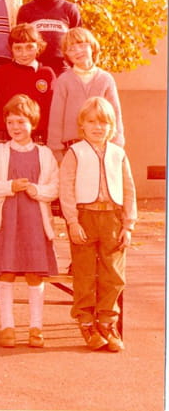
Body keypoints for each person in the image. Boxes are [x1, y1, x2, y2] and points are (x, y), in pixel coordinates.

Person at [0, 94, 59, 348]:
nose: (15, 127)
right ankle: (7, 326)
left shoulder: (45, 154)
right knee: (7, 272)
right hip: (7, 222)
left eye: (21, 122)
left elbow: (54, 187)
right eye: (11, 122)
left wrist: (38, 191)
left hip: (34, 222)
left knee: (35, 274)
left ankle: (36, 327)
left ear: (33, 123)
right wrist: (9, 186)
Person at [59, 97, 136, 352]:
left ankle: (107, 323)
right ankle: (86, 322)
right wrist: (72, 221)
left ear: (112, 126)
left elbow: (129, 190)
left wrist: (128, 225)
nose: (98, 127)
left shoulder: (118, 154)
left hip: (113, 218)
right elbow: (66, 189)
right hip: (85, 218)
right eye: (91, 121)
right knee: (84, 273)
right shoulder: (75, 152)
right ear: (82, 124)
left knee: (113, 274)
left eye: (103, 122)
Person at [47, 27, 124, 161]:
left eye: (82, 45)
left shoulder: (106, 79)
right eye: (71, 49)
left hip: (101, 148)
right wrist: (56, 151)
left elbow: (115, 114)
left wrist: (116, 146)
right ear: (66, 55)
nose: (77, 51)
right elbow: (56, 118)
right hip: (71, 149)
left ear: (92, 47)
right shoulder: (64, 80)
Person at [16, 0, 82, 75]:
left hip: (64, 73)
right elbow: (20, 46)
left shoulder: (70, 9)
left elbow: (80, 45)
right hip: (34, 73)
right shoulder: (25, 11)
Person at [0, 23, 55, 144]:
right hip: (7, 137)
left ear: (38, 47)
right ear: (11, 49)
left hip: (38, 138)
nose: (24, 54)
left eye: (29, 47)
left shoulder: (46, 74)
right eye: (18, 48)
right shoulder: (2, 73)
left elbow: (50, 111)